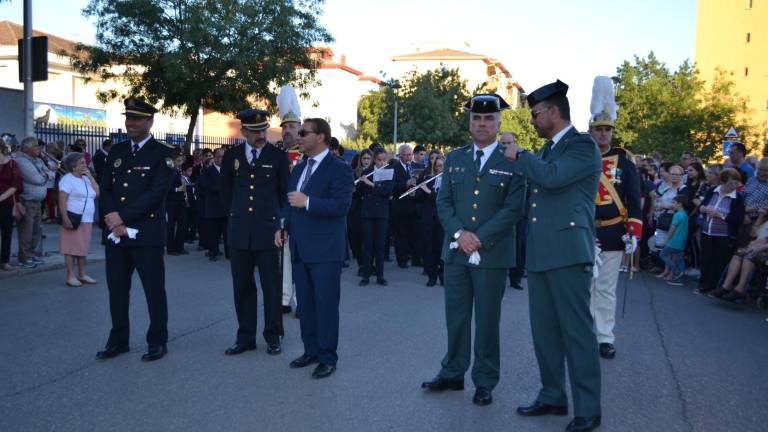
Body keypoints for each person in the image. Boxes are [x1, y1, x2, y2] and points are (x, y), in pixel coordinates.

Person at [504, 80, 602, 432]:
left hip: (568, 252)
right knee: (544, 332)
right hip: (541, 253)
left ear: (554, 112)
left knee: (576, 332)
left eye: (536, 114)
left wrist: (521, 155)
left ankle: (589, 408)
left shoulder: (581, 146)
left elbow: (552, 179)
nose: (532, 120)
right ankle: (552, 395)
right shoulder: (545, 151)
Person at [421, 93, 525, 407]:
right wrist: (459, 233)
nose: (482, 124)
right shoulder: (455, 158)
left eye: (488, 119)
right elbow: (444, 202)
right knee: (456, 318)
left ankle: (484, 380)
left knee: (488, 321)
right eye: (476, 119)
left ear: (498, 122)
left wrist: (477, 238)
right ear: (470, 123)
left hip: (492, 255)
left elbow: (513, 209)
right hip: (455, 253)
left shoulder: (513, 159)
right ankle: (452, 372)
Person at [97, 97, 175, 362]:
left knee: (154, 290)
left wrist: (121, 218)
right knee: (117, 290)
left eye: (137, 119)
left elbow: (156, 194)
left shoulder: (162, 153)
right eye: (128, 118)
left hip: (146, 234)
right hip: (115, 235)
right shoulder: (117, 152)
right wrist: (111, 217)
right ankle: (118, 340)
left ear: (149, 121)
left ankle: (157, 340)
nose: (130, 123)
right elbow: (105, 187)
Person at [282, 118, 353, 379]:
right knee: (307, 306)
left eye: (303, 132)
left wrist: (308, 202)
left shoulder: (340, 169)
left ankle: (327, 357)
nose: (298, 136)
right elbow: (289, 203)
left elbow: (342, 206)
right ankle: (310, 350)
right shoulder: (299, 169)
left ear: (321, 136)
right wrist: (283, 226)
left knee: (325, 305)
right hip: (300, 247)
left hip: (325, 251)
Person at [220, 108, 289, 356]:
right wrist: (234, 215)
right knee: (242, 287)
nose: (260, 134)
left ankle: (273, 335)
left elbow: (285, 195)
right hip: (239, 231)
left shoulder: (277, 156)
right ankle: (245, 337)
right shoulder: (232, 156)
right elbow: (225, 191)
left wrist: (281, 225)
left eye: (263, 129)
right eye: (254, 131)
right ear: (243, 131)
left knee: (271, 287)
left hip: (268, 230)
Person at [587, 76, 643, 360]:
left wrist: (634, 231)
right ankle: (584, 333)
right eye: (599, 129)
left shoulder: (624, 160)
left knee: (606, 289)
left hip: (612, 233)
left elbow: (635, 200)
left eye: (608, 129)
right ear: (591, 130)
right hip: (583, 233)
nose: (604, 134)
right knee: (584, 287)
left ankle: (605, 337)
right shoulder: (581, 157)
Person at [695, 168, 745, 295]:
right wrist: (704, 208)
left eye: (735, 183)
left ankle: (714, 287)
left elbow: (738, 219)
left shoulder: (737, 198)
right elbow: (702, 205)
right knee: (706, 259)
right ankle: (703, 285)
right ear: (723, 182)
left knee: (719, 261)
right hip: (707, 231)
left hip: (723, 235)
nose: (733, 186)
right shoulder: (713, 191)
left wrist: (720, 215)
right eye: (730, 183)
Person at [276, 85, 301, 314]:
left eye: (292, 126)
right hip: (282, 213)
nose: (287, 131)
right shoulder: (276, 156)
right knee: (284, 259)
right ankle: (284, 298)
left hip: (303, 213)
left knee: (301, 259)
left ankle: (301, 301)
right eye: (284, 127)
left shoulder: (306, 156)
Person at [58, 152, 100, 287]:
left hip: (86, 219)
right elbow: (62, 199)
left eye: (85, 162)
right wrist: (65, 217)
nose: (85, 164)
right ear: (73, 166)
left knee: (82, 247)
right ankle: (70, 276)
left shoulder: (86, 179)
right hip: (73, 217)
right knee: (70, 248)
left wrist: (90, 177)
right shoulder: (67, 179)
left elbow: (97, 193)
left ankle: (82, 274)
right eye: (81, 163)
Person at [358, 147, 393, 286]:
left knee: (380, 246)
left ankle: (380, 276)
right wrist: (360, 182)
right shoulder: (367, 172)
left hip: (382, 214)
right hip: (368, 213)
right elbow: (360, 192)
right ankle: (365, 276)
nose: (382, 162)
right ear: (374, 160)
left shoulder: (389, 172)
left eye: (384, 160)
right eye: (379, 160)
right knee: (367, 246)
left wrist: (371, 184)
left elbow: (387, 192)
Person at [15, 137, 49, 268]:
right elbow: (37, 179)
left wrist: (45, 175)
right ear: (27, 148)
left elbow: (50, 173)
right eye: (36, 146)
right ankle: (24, 257)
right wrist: (45, 176)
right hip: (27, 201)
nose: (39, 149)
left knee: (36, 230)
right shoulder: (21, 161)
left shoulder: (38, 160)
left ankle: (32, 254)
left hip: (38, 201)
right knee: (26, 231)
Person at [414, 154, 445, 286]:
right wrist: (415, 192)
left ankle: (443, 275)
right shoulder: (428, 178)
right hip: (427, 218)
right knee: (428, 247)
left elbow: (441, 199)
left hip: (441, 218)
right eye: (437, 166)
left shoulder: (448, 181)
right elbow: (419, 198)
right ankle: (431, 276)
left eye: (441, 166)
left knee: (441, 247)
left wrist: (427, 191)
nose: (439, 169)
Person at [198, 148, 228, 261]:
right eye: (219, 157)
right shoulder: (208, 170)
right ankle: (213, 252)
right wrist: (222, 189)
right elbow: (206, 185)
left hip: (225, 205)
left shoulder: (228, 170)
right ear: (214, 158)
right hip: (213, 205)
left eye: (223, 157)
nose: (221, 159)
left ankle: (229, 253)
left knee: (227, 231)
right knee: (213, 231)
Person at [391, 144, 418, 268]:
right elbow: (392, 186)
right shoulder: (394, 168)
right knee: (400, 234)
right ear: (400, 155)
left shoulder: (413, 167)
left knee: (410, 233)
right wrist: (405, 184)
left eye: (410, 154)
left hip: (411, 205)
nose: (408, 157)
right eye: (406, 155)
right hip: (399, 207)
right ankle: (401, 259)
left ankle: (409, 255)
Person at [657, 195, 689, 286]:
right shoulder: (684, 214)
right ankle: (681, 277)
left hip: (674, 240)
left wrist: (666, 240)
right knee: (679, 258)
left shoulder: (677, 215)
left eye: (674, 203)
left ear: (680, 204)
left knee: (663, 254)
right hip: (682, 240)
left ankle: (676, 271)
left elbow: (672, 228)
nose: (672, 204)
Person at [0, 141, 22, 271]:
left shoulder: (12, 163)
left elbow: (16, 184)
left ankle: (5, 260)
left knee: (6, 232)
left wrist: (3, 196)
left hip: (7, 202)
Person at [351, 149, 373, 276]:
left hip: (370, 209)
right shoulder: (355, 173)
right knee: (358, 238)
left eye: (368, 158)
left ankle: (370, 264)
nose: (366, 161)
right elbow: (354, 191)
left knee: (369, 239)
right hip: (357, 209)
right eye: (364, 158)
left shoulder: (375, 172)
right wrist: (360, 182)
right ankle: (362, 265)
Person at [165, 153, 188, 255]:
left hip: (180, 201)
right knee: (170, 225)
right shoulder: (169, 172)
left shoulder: (178, 172)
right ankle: (171, 248)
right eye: (178, 161)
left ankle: (180, 247)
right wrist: (177, 189)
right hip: (171, 202)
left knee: (182, 224)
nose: (180, 163)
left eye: (181, 160)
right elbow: (165, 189)